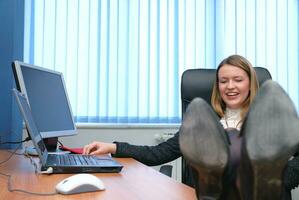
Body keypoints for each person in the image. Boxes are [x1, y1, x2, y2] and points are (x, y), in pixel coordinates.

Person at [83, 55, 299, 199]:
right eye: (223, 81)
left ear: (250, 83)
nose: (230, 86)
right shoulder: (204, 122)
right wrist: (114, 147)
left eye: (237, 80)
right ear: (218, 86)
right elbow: (159, 153)